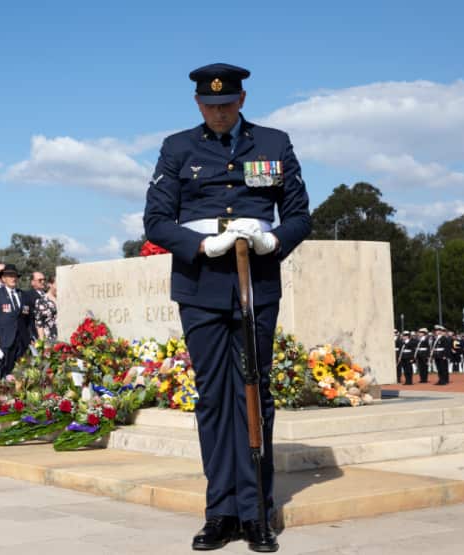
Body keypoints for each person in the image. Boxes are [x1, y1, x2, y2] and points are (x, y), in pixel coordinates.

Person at [143, 63, 311, 552]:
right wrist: (202, 245)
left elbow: (299, 215)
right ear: (198, 105)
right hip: (201, 286)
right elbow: (156, 220)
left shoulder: (274, 143)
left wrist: (272, 238)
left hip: (255, 284)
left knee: (255, 396)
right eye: (210, 106)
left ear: (241, 100)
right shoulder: (178, 148)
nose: (219, 113)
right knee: (214, 398)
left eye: (227, 104)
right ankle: (220, 510)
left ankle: (256, 509)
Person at [0, 264, 31, 377]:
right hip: (5, 341)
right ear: (3, 278)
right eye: (10, 276)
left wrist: (29, 336)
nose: (13, 278)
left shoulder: (23, 295)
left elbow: (29, 319)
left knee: (22, 372)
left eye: (15, 276)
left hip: (22, 341)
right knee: (6, 372)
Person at [21, 271, 46, 341]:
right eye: (40, 280)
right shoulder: (26, 296)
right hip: (35, 334)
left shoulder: (47, 295)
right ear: (32, 282)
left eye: (44, 279)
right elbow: (24, 316)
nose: (43, 282)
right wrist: (30, 335)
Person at [35, 275, 58, 341]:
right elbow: (39, 324)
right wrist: (42, 342)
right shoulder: (41, 301)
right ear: (50, 284)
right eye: (57, 284)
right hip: (50, 340)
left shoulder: (65, 299)